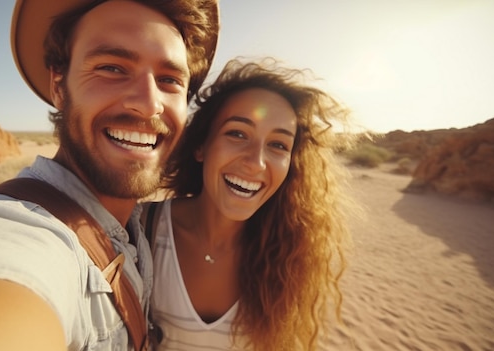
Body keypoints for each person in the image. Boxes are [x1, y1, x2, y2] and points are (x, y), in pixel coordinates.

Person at [0, 1, 219, 350]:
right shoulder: (16, 234)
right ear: (59, 86)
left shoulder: (140, 227)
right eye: (112, 68)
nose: (149, 103)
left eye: (169, 80)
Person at [144, 58, 355, 351]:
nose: (256, 163)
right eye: (237, 134)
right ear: (201, 145)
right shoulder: (142, 228)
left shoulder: (291, 253)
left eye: (278, 145)